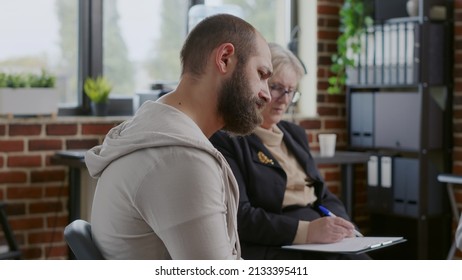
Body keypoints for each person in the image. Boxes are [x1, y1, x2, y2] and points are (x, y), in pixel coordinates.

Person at [84, 14, 273, 260]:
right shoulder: (180, 159)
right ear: (225, 59)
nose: (267, 95)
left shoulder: (154, 134)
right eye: (261, 74)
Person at [210, 42, 369, 260]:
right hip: (279, 242)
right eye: (276, 87)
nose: (284, 99)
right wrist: (308, 232)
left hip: (321, 239)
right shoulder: (229, 139)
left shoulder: (294, 134)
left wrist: (342, 225)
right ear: (257, 84)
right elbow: (242, 217)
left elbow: (322, 194)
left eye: (291, 91)